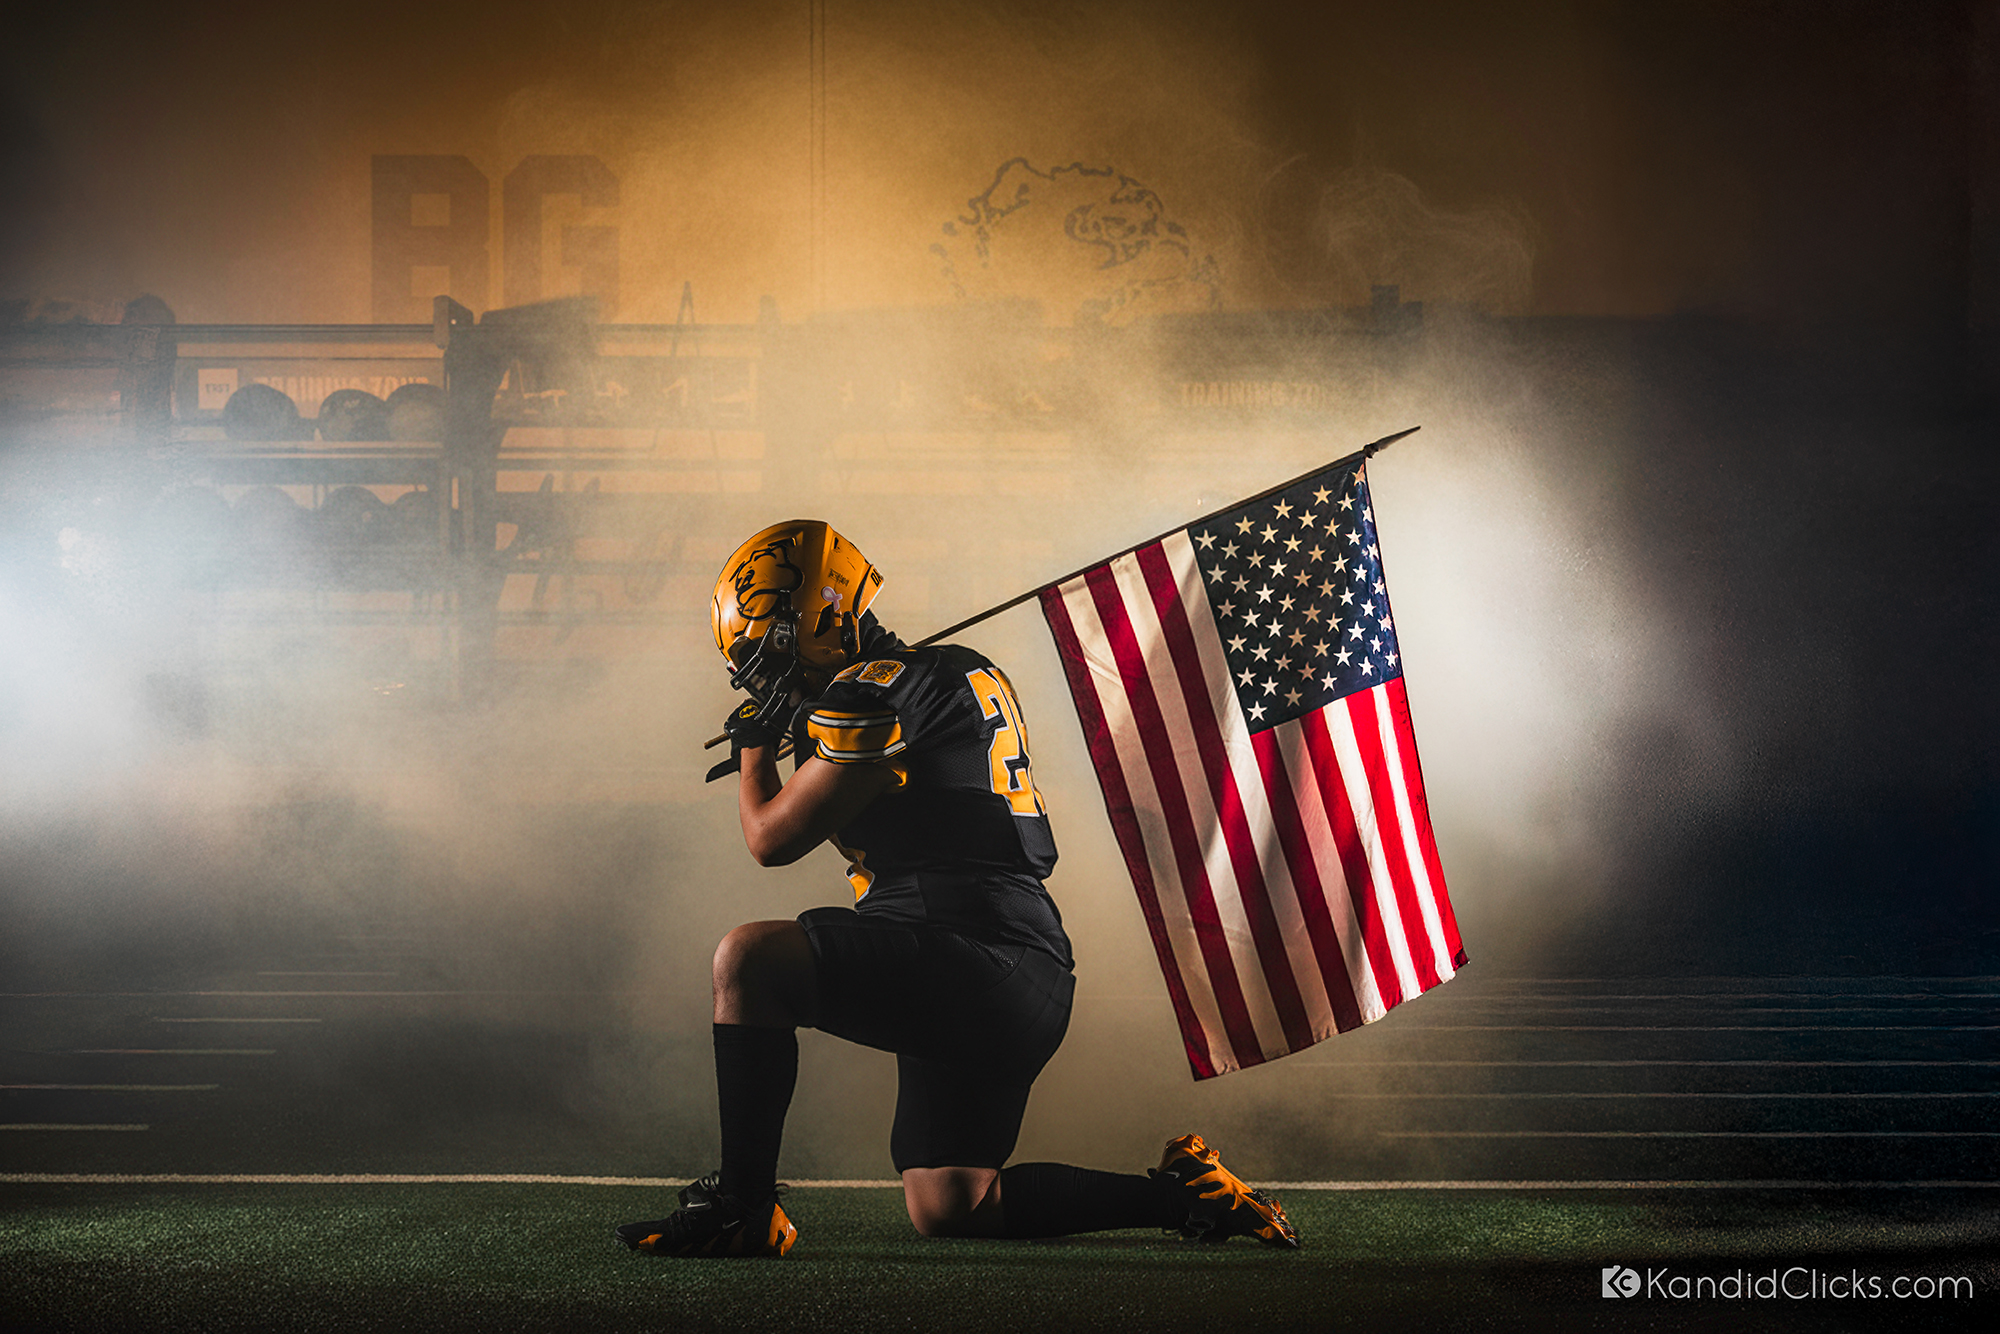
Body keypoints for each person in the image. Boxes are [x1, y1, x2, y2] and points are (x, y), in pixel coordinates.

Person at [615, 520, 1299, 1256]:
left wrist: (756, 751)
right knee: (952, 1202)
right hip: (1013, 967)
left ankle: (743, 1208)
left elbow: (770, 839)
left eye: (768, 649)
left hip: (973, 950)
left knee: (748, 962)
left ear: (823, 613)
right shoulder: (927, 677)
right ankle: (1185, 1197)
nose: (761, 674)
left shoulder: (873, 692)